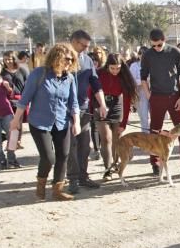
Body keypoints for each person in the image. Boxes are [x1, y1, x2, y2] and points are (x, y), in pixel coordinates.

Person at [11, 43, 81, 201]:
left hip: (62, 122)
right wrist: (16, 121)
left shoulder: (69, 78)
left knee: (63, 155)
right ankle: (40, 185)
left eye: (72, 60)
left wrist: (76, 122)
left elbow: (74, 102)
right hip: (40, 122)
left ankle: (58, 190)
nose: (70, 63)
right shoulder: (38, 74)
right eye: (67, 59)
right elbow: (24, 99)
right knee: (49, 158)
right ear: (56, 57)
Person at [140, 28, 180, 176]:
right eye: (153, 45)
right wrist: (149, 96)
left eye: (159, 45)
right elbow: (143, 77)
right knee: (154, 132)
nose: (156, 48)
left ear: (164, 40)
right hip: (157, 97)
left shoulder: (176, 52)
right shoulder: (147, 55)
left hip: (175, 96)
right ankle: (155, 164)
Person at [65, 31, 108, 194]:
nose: (85, 49)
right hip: (65, 110)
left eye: (87, 46)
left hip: (83, 108)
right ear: (74, 42)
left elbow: (95, 83)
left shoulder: (88, 60)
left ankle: (83, 176)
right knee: (71, 145)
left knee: (85, 145)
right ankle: (73, 178)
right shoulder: (63, 58)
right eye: (83, 45)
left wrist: (102, 104)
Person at [96, 53, 136, 181]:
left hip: (117, 106)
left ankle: (115, 165)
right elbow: (92, 92)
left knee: (117, 139)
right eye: (112, 68)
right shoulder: (99, 74)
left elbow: (127, 101)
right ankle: (107, 169)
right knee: (106, 139)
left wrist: (124, 123)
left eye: (118, 68)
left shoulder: (124, 76)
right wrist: (93, 109)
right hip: (100, 106)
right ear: (107, 65)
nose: (115, 71)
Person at [128, 48, 149, 132]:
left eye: (145, 54)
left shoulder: (153, 65)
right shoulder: (134, 65)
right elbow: (131, 81)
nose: (142, 56)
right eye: (140, 53)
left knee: (155, 118)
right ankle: (145, 139)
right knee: (144, 118)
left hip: (154, 93)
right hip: (140, 93)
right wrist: (144, 80)